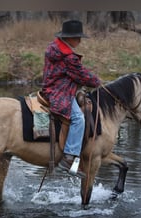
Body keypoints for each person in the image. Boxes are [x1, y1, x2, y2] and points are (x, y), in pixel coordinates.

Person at [41, 20, 102, 178]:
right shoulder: (67, 57)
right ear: (68, 38)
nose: (80, 41)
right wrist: (97, 82)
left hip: (52, 87)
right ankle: (68, 157)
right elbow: (82, 75)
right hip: (59, 92)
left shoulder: (55, 49)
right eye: (77, 37)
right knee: (78, 118)